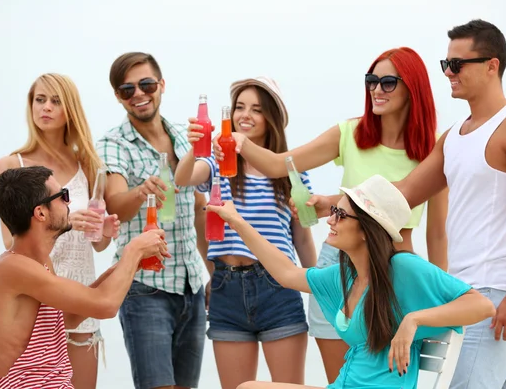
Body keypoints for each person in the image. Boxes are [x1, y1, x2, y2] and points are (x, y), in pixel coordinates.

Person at [213, 47, 448, 382]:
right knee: (341, 380)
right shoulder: (350, 134)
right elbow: (283, 163)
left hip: (394, 276)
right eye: (371, 81)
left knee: (381, 379)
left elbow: (437, 234)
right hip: (336, 271)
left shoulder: (434, 149)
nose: (376, 90)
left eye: (388, 82)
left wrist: (435, 302)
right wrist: (240, 143)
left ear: (413, 87)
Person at [204, 174, 495, 389]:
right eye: (334, 211)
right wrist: (238, 222)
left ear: (368, 229)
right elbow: (287, 274)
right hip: (343, 386)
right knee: (247, 388)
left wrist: (413, 321)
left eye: (341, 214)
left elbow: (481, 305)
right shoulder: (346, 276)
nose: (331, 220)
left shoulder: (403, 267)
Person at [394, 20, 506, 388]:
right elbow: (404, 192)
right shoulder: (454, 135)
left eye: (458, 64)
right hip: (465, 290)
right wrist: (335, 202)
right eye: (446, 64)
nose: (449, 72)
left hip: (496, 293)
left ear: (491, 65)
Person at [175, 76, 317, 389]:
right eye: (239, 107)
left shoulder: (291, 171)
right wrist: (192, 147)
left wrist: (321, 288)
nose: (245, 115)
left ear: (273, 118)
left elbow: (303, 238)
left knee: (289, 387)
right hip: (226, 287)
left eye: (256, 109)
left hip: (279, 286)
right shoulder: (218, 162)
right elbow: (183, 178)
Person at [0, 166, 168, 389]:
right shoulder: (10, 269)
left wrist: (130, 265)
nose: (70, 202)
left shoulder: (37, 264)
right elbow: (105, 305)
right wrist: (134, 249)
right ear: (40, 213)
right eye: (63, 196)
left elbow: (67, 318)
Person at [0, 73, 120, 389]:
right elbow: (11, 241)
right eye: (39, 100)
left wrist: (103, 231)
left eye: (55, 100)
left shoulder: (89, 164)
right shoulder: (11, 165)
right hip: (33, 301)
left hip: (80, 296)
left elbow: (97, 246)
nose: (45, 108)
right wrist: (64, 225)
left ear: (70, 109)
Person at [96, 52, 208, 389]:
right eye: (127, 90)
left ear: (161, 85)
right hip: (145, 287)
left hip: (191, 284)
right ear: (118, 96)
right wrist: (141, 191)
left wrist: (212, 271)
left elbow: (199, 207)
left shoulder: (184, 138)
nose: (139, 94)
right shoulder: (113, 143)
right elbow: (115, 205)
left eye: (146, 84)